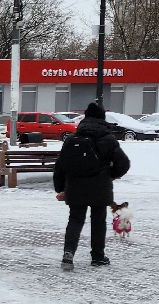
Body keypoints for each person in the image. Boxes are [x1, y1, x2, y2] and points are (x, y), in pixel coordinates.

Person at [53, 102, 131, 271]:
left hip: (75, 187)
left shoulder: (72, 139)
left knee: (75, 219)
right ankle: (97, 256)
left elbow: (60, 165)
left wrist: (60, 188)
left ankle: (68, 254)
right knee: (98, 221)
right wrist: (111, 174)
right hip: (100, 187)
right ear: (102, 118)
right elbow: (124, 164)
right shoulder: (108, 139)